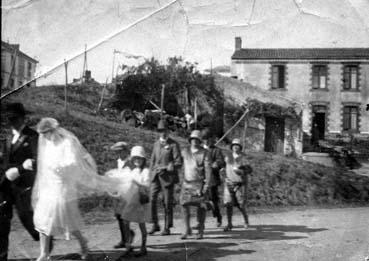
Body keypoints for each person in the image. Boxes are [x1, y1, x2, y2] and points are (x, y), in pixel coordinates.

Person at [32, 117, 106, 261]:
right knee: (42, 218)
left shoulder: (67, 143)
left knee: (68, 221)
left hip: (63, 186)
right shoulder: (46, 145)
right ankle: (44, 253)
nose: (45, 137)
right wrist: (42, 185)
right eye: (43, 134)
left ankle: (83, 243)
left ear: (53, 131)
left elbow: (73, 162)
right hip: (49, 186)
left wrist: (59, 167)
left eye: (46, 133)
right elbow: (43, 168)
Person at [0, 103, 39, 261]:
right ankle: (2, 255)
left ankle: (44, 239)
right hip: (5, 184)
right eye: (9, 119)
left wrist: (22, 168)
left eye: (15, 119)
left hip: (24, 186)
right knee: (2, 220)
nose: (12, 123)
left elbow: (39, 159)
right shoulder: (7, 137)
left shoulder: (32, 136)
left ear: (23, 118)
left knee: (27, 218)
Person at [149, 120, 182, 236]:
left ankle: (167, 226)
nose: (162, 133)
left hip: (168, 177)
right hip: (156, 176)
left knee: (167, 202)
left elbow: (179, 161)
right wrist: (150, 173)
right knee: (152, 199)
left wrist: (172, 165)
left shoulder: (174, 144)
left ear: (168, 131)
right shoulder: (156, 144)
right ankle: (155, 224)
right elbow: (152, 160)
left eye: (164, 131)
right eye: (160, 131)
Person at [118, 146, 150, 258]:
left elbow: (147, 185)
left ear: (143, 160)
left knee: (141, 224)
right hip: (132, 200)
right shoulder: (134, 170)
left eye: (139, 159)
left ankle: (143, 247)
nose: (137, 161)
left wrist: (136, 183)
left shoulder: (146, 171)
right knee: (125, 220)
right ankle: (128, 246)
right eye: (135, 159)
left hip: (140, 201)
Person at [179, 130, 212, 240]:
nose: (194, 141)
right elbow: (180, 164)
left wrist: (207, 184)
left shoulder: (205, 152)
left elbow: (208, 169)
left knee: (201, 207)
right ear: (190, 140)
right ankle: (186, 229)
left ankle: (200, 230)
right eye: (193, 139)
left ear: (200, 141)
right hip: (186, 183)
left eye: (197, 139)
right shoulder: (185, 151)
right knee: (184, 205)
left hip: (199, 184)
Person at [193, 129, 224, 229]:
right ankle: (200, 222)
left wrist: (217, 164)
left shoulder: (216, 150)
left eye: (208, 139)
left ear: (211, 139)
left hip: (212, 179)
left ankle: (218, 216)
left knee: (213, 200)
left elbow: (222, 162)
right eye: (204, 139)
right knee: (200, 200)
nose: (206, 141)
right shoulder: (200, 150)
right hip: (201, 178)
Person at [107, 141, 135, 249]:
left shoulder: (130, 162)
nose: (118, 154)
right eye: (116, 152)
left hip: (126, 193)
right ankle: (124, 238)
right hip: (116, 193)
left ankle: (127, 240)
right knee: (119, 216)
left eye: (120, 151)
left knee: (125, 217)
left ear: (125, 151)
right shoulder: (116, 162)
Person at [222, 138, 252, 232]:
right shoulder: (227, 156)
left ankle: (246, 221)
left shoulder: (244, 157)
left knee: (241, 205)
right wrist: (222, 172)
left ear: (240, 147)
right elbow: (223, 166)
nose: (235, 146)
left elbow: (249, 170)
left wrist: (242, 171)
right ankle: (229, 224)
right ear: (232, 146)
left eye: (237, 145)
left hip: (240, 184)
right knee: (228, 204)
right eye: (234, 145)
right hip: (228, 182)